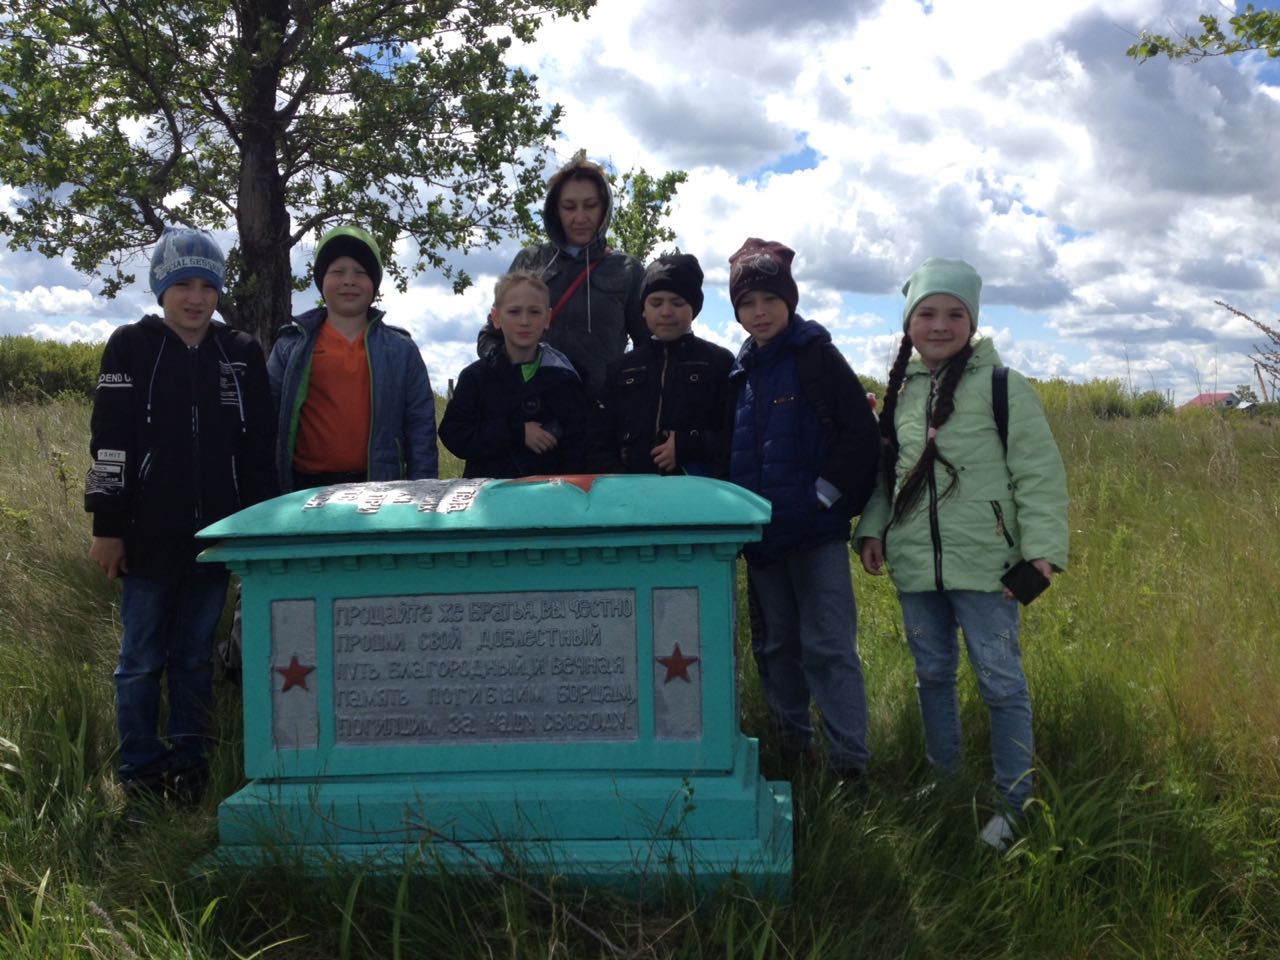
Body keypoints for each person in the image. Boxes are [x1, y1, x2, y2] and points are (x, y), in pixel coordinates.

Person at [854, 257, 1068, 850]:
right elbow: (888, 474)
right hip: (917, 565)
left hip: (991, 569)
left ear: (972, 320)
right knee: (932, 676)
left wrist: (1042, 556)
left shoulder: (1005, 387)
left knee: (1001, 683)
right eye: (927, 313)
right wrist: (873, 529)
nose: (940, 325)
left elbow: (1040, 475)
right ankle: (943, 782)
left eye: (954, 313)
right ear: (908, 322)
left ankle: (1015, 803)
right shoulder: (899, 394)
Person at [85, 226, 277, 815]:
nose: (195, 298)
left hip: (214, 538)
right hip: (144, 535)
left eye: (206, 286)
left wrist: (257, 533)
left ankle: (190, 763)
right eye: (182, 285)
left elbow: (258, 449)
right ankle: (140, 767)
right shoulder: (130, 346)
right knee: (141, 659)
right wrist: (105, 526)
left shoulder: (239, 352)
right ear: (161, 289)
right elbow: (108, 442)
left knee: (195, 655)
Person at [725, 238, 881, 785]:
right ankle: (795, 750)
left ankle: (849, 767)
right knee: (776, 646)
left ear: (789, 300)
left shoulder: (816, 355)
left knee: (829, 648)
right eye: (747, 303)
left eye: (769, 298)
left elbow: (862, 437)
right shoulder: (740, 372)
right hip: (764, 541)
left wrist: (825, 496)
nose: (759, 312)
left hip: (816, 537)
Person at [269, 224, 438, 491]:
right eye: (337, 271)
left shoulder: (401, 350)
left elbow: (420, 429)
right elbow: (268, 421)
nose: (349, 281)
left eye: (360, 273)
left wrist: (425, 490)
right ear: (321, 281)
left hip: (379, 488)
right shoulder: (290, 346)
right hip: (303, 489)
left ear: (374, 285)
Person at [478, 154, 645, 399]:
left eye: (590, 205)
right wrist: (512, 383)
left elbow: (647, 348)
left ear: (604, 208)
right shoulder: (530, 262)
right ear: (555, 210)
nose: (580, 217)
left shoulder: (627, 270)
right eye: (569, 207)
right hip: (533, 416)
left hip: (601, 420)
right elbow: (489, 337)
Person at [593, 252, 733, 476]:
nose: (666, 312)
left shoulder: (719, 362)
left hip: (697, 498)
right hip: (629, 497)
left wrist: (689, 445)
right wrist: (617, 478)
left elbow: (733, 433)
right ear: (643, 310)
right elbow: (600, 439)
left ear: (694, 309)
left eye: (677, 303)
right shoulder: (619, 369)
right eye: (656, 303)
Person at [440, 270, 588, 478]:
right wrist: (516, 433)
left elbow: (581, 444)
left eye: (535, 312)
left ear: (548, 318)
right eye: (514, 312)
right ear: (496, 318)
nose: (525, 321)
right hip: (490, 500)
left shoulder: (567, 378)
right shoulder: (476, 378)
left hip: (551, 499)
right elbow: (454, 435)